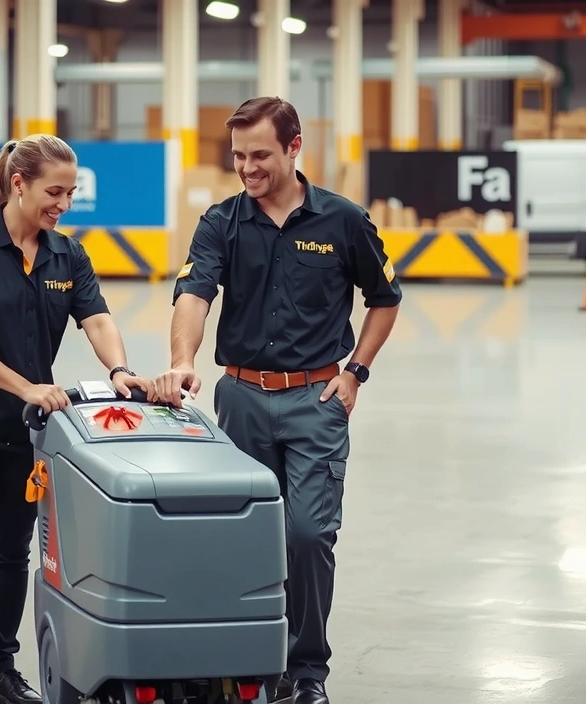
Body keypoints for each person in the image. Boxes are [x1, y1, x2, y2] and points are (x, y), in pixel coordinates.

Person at [153, 97, 402, 704]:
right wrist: (183, 359)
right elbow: (194, 294)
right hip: (241, 399)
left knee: (309, 536)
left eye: (260, 154)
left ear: (294, 148)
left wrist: (356, 372)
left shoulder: (343, 220)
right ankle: (249, 662)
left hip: (316, 400)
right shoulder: (222, 222)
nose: (247, 168)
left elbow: (385, 298)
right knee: (244, 535)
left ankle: (306, 672)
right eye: (238, 156)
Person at [0, 134, 154, 704]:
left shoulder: (67, 255)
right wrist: (27, 386)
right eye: (55, 192)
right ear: (18, 183)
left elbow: (96, 319)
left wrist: (119, 369)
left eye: (71, 193)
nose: (64, 204)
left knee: (12, 553)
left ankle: (1, 670)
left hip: (22, 431)